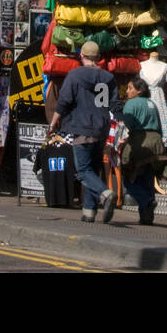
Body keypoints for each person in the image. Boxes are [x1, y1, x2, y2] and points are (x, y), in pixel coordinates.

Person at [48, 40, 118, 222]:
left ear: (82, 56)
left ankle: (105, 193)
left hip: (82, 126)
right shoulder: (108, 78)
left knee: (83, 170)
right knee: (93, 169)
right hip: (101, 127)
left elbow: (64, 101)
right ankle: (89, 210)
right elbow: (115, 104)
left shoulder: (75, 75)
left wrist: (53, 123)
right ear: (99, 58)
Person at [119, 78, 167, 226]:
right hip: (156, 142)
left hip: (140, 141)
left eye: (130, 88)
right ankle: (146, 216)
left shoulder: (131, 104)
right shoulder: (152, 104)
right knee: (147, 177)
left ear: (139, 90)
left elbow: (126, 125)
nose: (127, 91)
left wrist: (121, 141)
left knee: (128, 177)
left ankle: (146, 201)